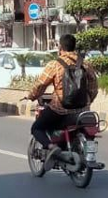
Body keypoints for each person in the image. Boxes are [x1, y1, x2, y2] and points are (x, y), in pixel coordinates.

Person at [26, 34, 98, 166]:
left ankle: (52, 147)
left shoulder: (55, 65)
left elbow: (40, 85)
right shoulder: (86, 64)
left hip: (60, 110)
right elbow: (94, 88)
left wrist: (31, 96)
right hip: (82, 111)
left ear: (61, 47)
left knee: (36, 128)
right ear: (74, 46)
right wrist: (87, 102)